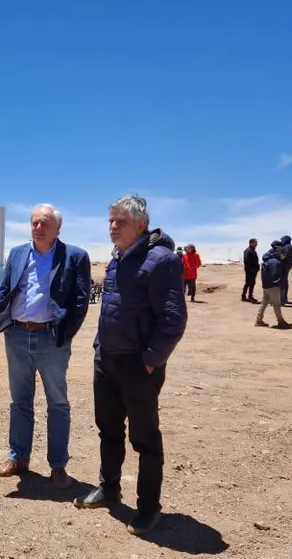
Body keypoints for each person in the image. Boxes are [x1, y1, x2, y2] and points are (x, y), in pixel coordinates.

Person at [74, 194, 187, 536]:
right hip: (107, 360)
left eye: (121, 221)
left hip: (138, 366)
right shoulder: (117, 259)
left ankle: (149, 508)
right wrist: (99, 346)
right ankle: (109, 488)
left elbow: (173, 319)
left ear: (141, 225)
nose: (113, 226)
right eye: (111, 220)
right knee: (108, 429)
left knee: (145, 438)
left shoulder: (162, 261)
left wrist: (150, 361)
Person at [0, 203, 92, 489]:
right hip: (17, 335)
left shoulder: (75, 256)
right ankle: (18, 458)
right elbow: (5, 290)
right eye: (34, 222)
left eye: (44, 223)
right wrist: (6, 323)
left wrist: (65, 335)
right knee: (20, 401)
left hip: (51, 338)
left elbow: (81, 301)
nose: (38, 227)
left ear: (58, 228)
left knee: (57, 403)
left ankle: (58, 466)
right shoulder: (18, 253)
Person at [256, 242, 292, 329]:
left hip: (265, 285)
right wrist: (279, 282)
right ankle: (281, 321)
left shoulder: (268, 260)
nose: (284, 256)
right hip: (273, 286)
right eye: (284, 254)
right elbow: (275, 276)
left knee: (264, 303)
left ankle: (258, 320)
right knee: (276, 304)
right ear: (280, 253)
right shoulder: (276, 262)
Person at [242, 238, 260, 303]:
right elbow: (246, 261)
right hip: (250, 270)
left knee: (252, 283)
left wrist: (257, 268)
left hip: (253, 270)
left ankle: (249, 296)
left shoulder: (253, 250)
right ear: (251, 243)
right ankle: (244, 296)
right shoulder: (248, 250)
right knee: (248, 283)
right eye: (255, 243)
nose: (256, 244)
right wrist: (251, 269)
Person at [279, 235, 292, 305]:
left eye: (282, 240)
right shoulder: (289, 246)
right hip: (287, 265)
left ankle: (283, 298)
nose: (281, 241)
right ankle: (284, 297)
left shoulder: (287, 246)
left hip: (284, 266)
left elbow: (282, 256)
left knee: (283, 282)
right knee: (285, 281)